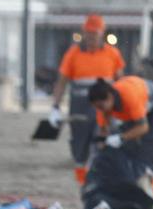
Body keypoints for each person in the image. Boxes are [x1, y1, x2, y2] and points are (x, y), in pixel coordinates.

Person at [49, 14, 125, 187]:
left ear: (102, 33)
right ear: (83, 32)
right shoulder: (73, 54)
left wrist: (122, 109)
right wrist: (55, 107)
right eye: (88, 33)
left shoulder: (113, 54)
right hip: (80, 108)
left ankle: (102, 181)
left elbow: (121, 83)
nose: (91, 37)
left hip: (105, 110)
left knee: (104, 144)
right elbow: (61, 82)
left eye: (95, 33)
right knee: (79, 149)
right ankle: (82, 183)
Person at [87, 73, 153, 201]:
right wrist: (102, 146)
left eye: (101, 106)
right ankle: (137, 191)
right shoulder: (103, 106)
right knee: (131, 151)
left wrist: (121, 138)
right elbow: (103, 131)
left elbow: (143, 127)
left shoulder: (128, 97)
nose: (101, 111)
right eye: (97, 108)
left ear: (110, 97)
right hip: (136, 111)